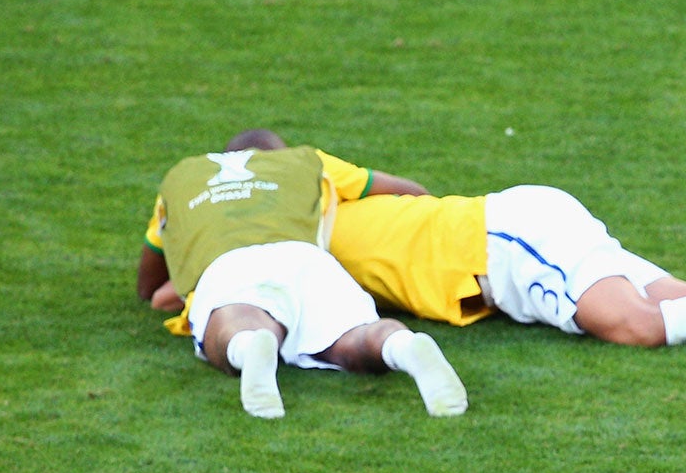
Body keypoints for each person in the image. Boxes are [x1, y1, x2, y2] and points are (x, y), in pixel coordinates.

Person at [206, 130, 686, 352]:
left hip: (504, 239)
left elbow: (406, 192)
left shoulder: (307, 185)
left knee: (629, 325)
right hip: (511, 235)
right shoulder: (285, 254)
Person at [136, 134, 470, 419]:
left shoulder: (180, 178)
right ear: (278, 151)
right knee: (354, 336)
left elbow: (148, 285)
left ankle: (249, 343)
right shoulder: (305, 161)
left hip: (228, 265)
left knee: (236, 318)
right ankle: (400, 345)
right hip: (308, 260)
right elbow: (409, 191)